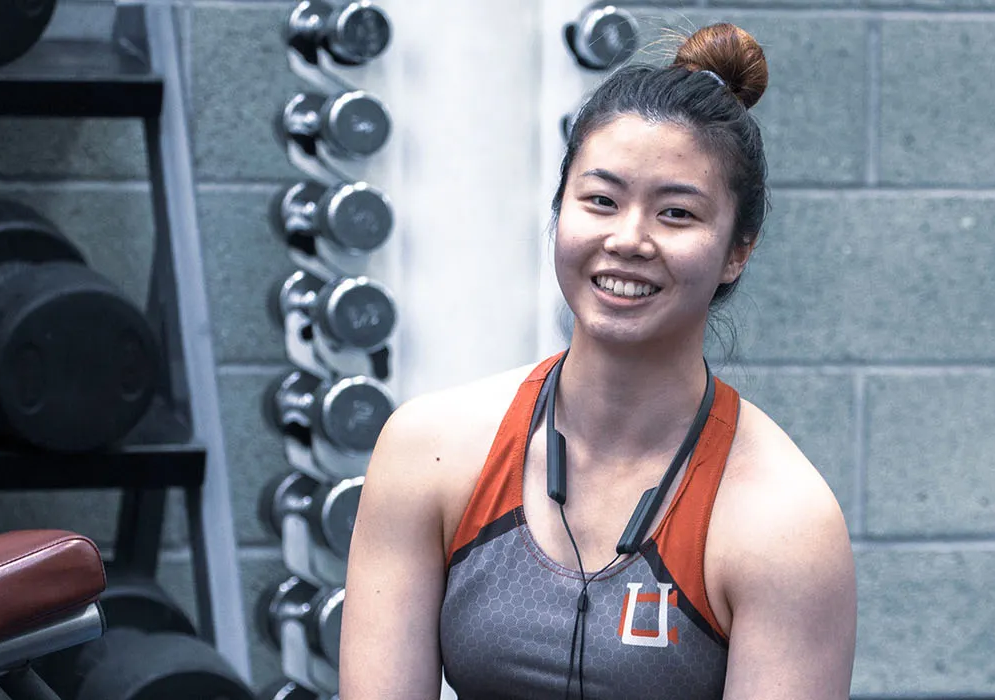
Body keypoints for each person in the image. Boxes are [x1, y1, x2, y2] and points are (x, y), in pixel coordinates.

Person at [339, 22, 857, 700]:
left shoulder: (783, 522)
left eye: (676, 214)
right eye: (601, 201)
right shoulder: (427, 452)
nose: (629, 239)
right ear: (561, 210)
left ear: (739, 249)